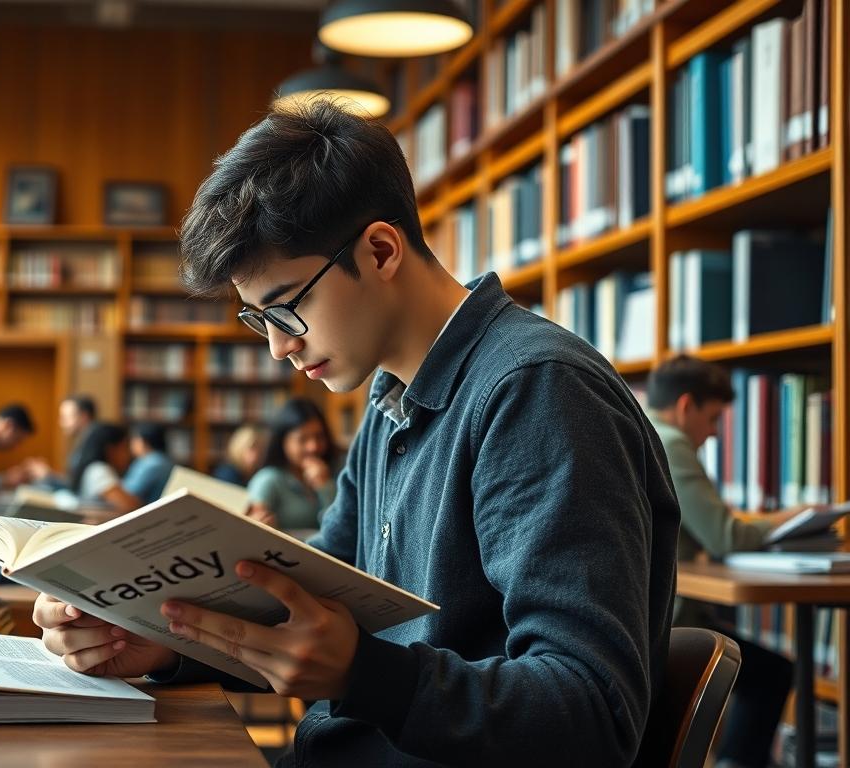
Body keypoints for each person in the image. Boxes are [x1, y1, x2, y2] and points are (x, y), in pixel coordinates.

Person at [33, 100, 680, 765]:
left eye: (286, 307)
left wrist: (362, 675)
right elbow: (308, 607)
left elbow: (592, 716)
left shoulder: (536, 391)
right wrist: (165, 641)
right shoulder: (389, 400)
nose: (279, 349)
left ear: (380, 250)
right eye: (260, 321)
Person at [646, 355, 797, 768]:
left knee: (761, 671)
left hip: (656, 612)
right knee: (772, 674)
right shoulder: (670, 442)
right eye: (713, 419)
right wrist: (790, 519)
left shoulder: (639, 428)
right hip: (671, 618)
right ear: (685, 405)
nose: (713, 433)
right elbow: (724, 536)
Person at [247, 399, 337, 530]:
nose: (313, 446)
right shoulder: (269, 479)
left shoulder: (333, 474)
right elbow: (253, 525)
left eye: (319, 436)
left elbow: (340, 527)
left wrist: (325, 486)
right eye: (302, 439)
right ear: (283, 441)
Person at [25, 394, 98, 489]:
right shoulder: (84, 442)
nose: (61, 423)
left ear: (84, 416)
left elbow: (78, 486)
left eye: (65, 418)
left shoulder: (94, 444)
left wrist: (48, 474)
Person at [70, 422, 142, 513]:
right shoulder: (99, 470)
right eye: (125, 447)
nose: (129, 454)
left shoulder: (93, 468)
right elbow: (131, 507)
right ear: (111, 449)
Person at [120, 423, 175, 506]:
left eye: (133, 439)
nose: (131, 444)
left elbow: (128, 494)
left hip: (150, 513)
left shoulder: (151, 463)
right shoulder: (165, 460)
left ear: (142, 441)